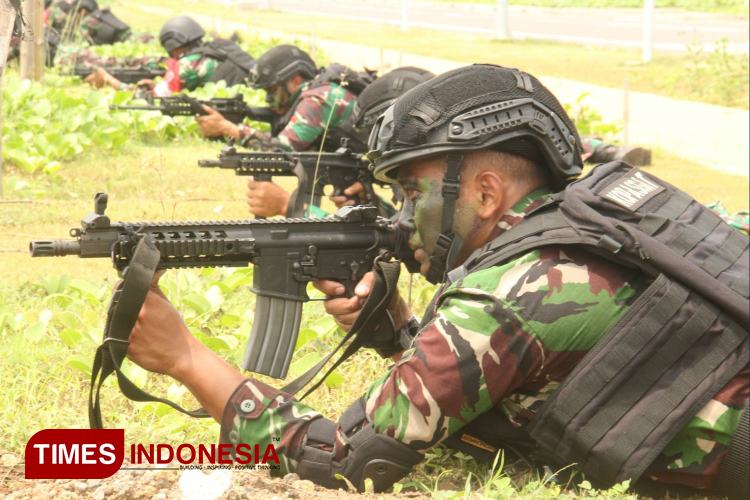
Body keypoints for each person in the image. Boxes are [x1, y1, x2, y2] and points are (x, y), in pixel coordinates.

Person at [125, 65, 748, 497]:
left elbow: (345, 459)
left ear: (484, 193)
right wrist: (401, 330)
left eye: (410, 192)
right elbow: (519, 378)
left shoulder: (505, 301)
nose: (400, 215)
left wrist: (186, 358)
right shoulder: (618, 214)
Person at [196, 44, 361, 218]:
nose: (269, 99)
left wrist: (229, 129)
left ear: (296, 81)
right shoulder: (315, 94)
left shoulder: (318, 99)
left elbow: (281, 150)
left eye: (272, 90)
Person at [84, 15, 254, 96]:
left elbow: (149, 99)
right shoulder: (219, 47)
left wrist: (109, 80)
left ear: (175, 46)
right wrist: (156, 84)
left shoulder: (187, 65)